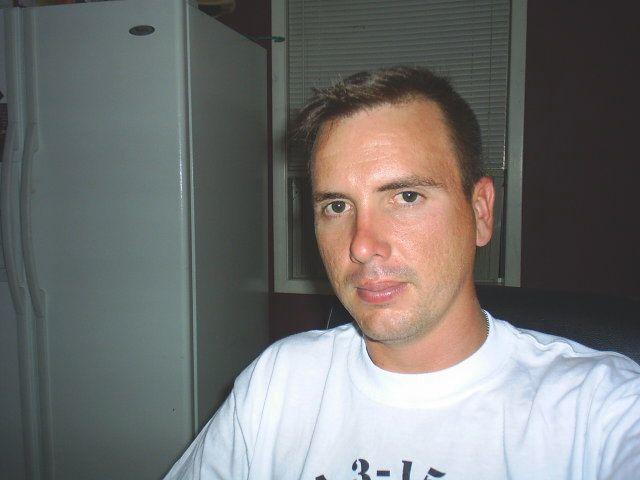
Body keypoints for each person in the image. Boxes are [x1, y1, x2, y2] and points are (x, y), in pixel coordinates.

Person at [164, 66, 640, 479]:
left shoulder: (602, 409)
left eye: (406, 196)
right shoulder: (278, 383)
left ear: (480, 211)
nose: (361, 244)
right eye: (336, 205)